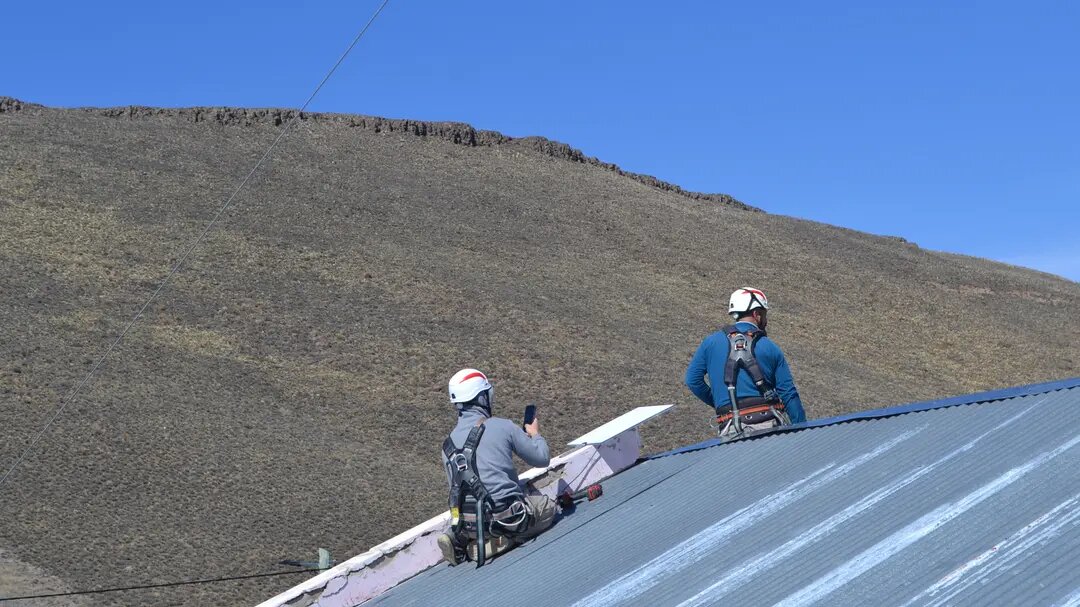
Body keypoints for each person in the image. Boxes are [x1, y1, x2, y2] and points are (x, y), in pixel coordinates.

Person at [437, 368, 557, 565]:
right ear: (482, 398)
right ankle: (505, 540)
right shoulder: (503, 426)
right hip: (506, 516)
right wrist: (535, 434)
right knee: (548, 507)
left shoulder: (447, 446)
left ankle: (465, 540)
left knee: (476, 520)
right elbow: (542, 458)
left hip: (471, 523)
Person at [685, 287, 806, 435]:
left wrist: (721, 403)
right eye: (764, 314)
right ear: (757, 314)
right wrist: (802, 431)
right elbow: (789, 394)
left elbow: (693, 380)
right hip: (768, 425)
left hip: (730, 427)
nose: (766, 321)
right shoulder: (770, 347)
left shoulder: (710, 343)